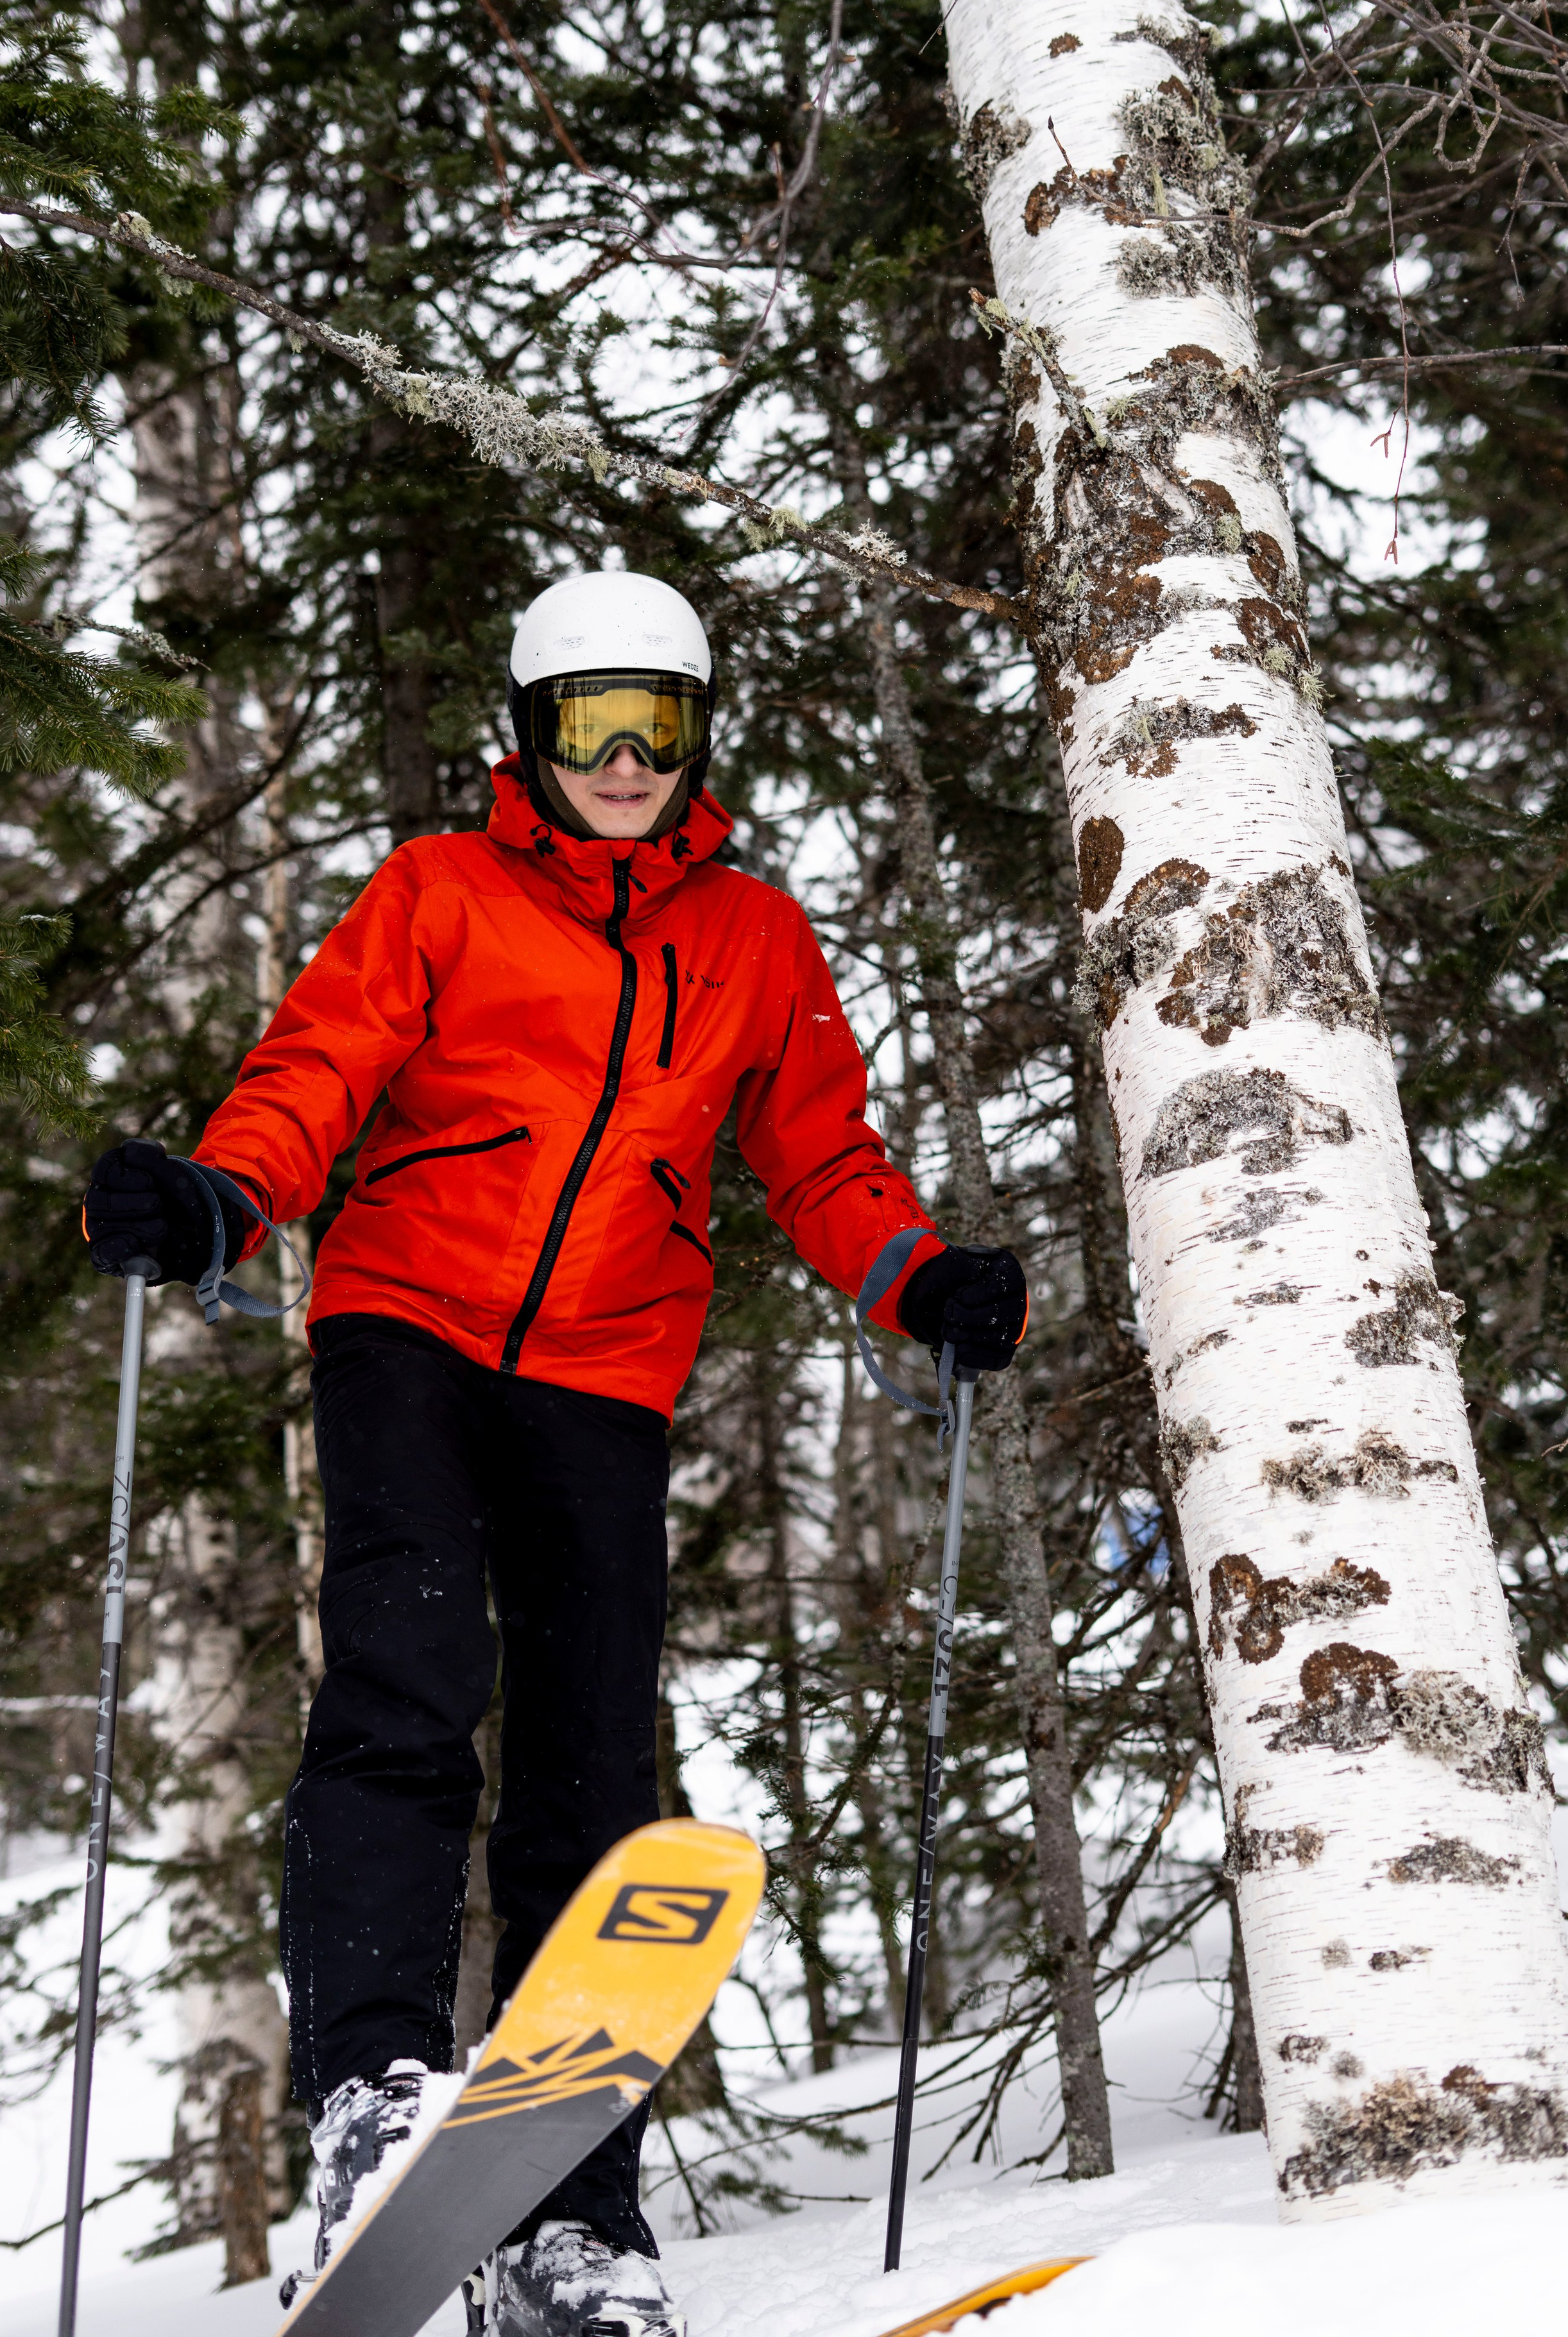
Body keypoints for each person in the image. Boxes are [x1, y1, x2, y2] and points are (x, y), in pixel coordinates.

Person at [83, 572, 1028, 2337]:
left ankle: (569, 2212)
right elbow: (317, 1069)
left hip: (609, 1368)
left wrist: (918, 1277)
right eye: (593, 718)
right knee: (405, 1686)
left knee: (596, 1762)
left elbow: (822, 1156)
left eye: (657, 726)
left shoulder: (750, 937)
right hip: (408, 1324)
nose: (622, 759)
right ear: (531, 727)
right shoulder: (439, 891)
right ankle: (373, 2109)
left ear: (694, 742)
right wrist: (220, 1198)